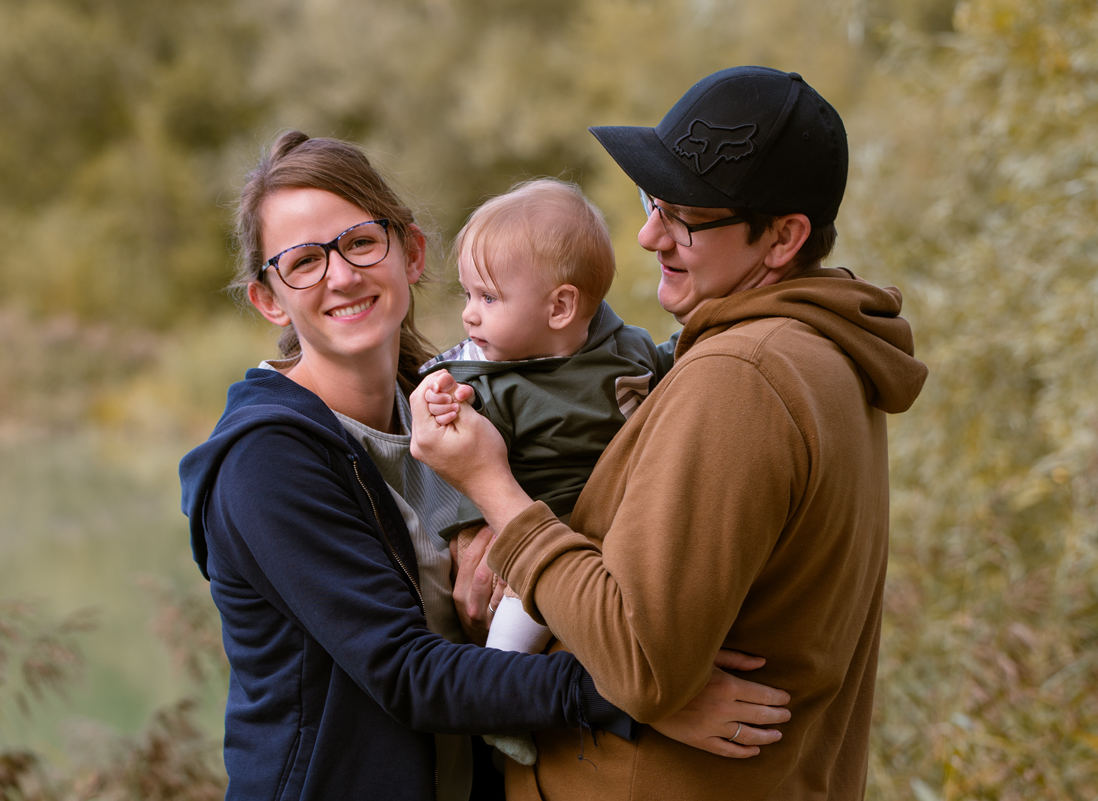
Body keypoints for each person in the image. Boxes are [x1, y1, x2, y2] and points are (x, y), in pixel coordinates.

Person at [178, 130, 793, 801]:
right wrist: (629, 692)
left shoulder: (456, 405)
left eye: (359, 242)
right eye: (303, 261)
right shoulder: (265, 461)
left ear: (411, 253)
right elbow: (406, 673)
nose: (343, 275)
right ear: (270, 299)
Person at [413, 66, 929, 799]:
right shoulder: (821, 354)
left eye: (686, 218)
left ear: (783, 238)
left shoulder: (741, 376)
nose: (649, 234)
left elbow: (640, 664)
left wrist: (490, 487)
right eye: (653, 201)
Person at [421, 177, 665, 766]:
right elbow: (456, 468)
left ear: (560, 307)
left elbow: (669, 369)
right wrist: (473, 527)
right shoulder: (479, 382)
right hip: (540, 533)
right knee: (522, 610)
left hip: (621, 526)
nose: (468, 314)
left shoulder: (624, 348)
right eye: (468, 294)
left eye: (488, 298)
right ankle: (501, 704)